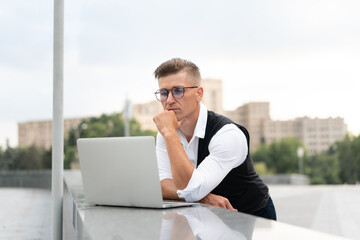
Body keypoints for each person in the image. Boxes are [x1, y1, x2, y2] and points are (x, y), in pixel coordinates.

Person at [152, 58, 276, 220]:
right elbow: (163, 185)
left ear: (199, 94)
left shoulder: (228, 134)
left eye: (178, 91)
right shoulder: (167, 130)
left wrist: (169, 133)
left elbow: (190, 189)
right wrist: (204, 197)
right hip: (208, 212)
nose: (169, 100)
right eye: (163, 92)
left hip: (252, 213)